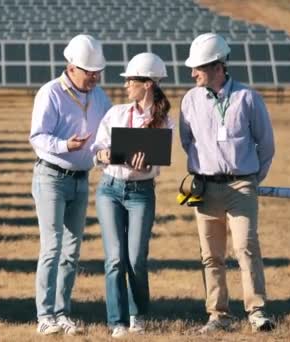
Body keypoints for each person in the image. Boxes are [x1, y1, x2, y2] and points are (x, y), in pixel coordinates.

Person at [179, 33, 276, 333]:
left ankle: (256, 311)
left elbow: (266, 145)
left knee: (246, 247)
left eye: (198, 67)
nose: (192, 73)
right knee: (211, 255)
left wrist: (249, 180)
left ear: (218, 67)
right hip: (205, 189)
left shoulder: (248, 98)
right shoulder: (190, 100)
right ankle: (218, 315)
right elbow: (187, 141)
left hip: (241, 187)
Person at [29, 34, 112, 336]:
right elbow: (37, 137)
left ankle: (63, 312)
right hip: (51, 177)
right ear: (72, 67)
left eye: (97, 72)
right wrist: (65, 145)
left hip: (81, 180)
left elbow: (110, 130)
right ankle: (45, 316)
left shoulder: (100, 96)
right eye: (90, 71)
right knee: (52, 247)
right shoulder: (50, 93)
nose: (95, 76)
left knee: (72, 250)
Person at [91, 53, 173, 339]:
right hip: (110, 190)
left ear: (148, 84)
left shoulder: (163, 122)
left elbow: (160, 160)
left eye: (131, 81)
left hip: (141, 193)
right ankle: (117, 322)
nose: (126, 85)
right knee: (114, 259)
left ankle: (138, 315)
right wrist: (102, 154)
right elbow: (97, 150)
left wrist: (148, 164)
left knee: (136, 258)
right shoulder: (115, 113)